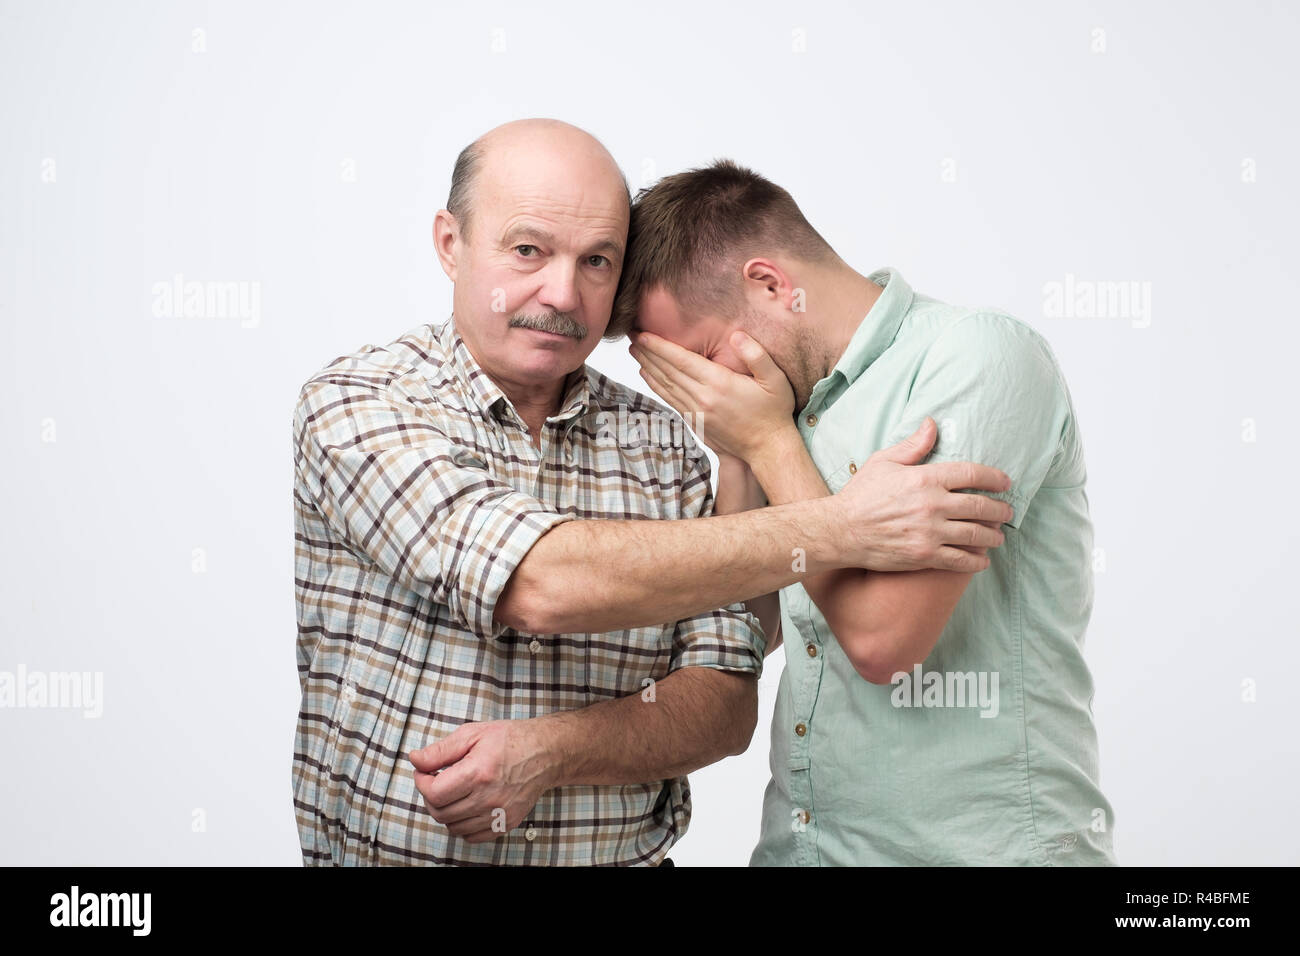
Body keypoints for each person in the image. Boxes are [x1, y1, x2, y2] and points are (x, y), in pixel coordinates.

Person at [291, 121, 1013, 866]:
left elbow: (725, 701)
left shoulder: (665, 444)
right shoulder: (357, 406)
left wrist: (552, 752)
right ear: (451, 243)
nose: (563, 293)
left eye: (596, 261)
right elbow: (539, 583)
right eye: (528, 250)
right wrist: (847, 522)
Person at [622, 158, 1117, 865]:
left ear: (770, 285)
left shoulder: (976, 359)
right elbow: (746, 631)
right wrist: (738, 449)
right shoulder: (779, 409)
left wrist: (767, 440)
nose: (705, 393)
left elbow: (885, 641)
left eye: (702, 358)